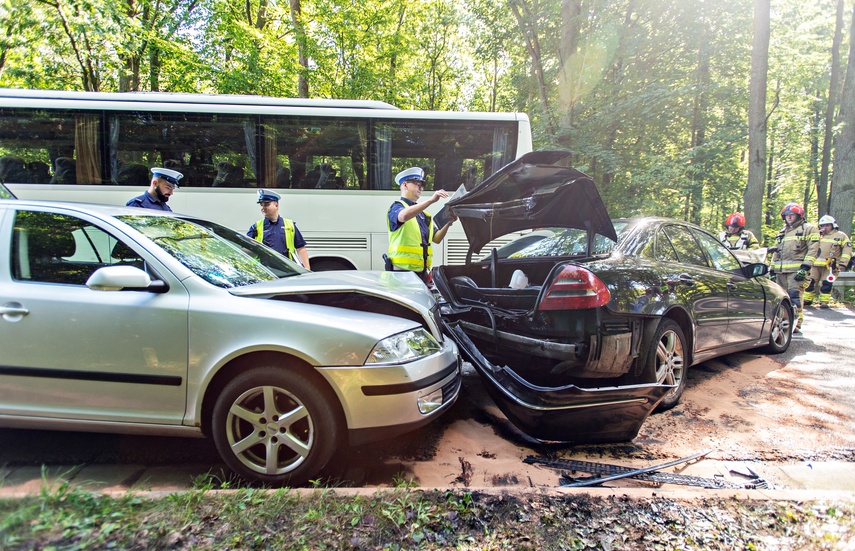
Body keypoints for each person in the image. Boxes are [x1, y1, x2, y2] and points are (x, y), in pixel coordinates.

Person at [385, 167, 456, 283]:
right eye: (417, 183)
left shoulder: (424, 215)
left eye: (422, 185)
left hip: (422, 273)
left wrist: (449, 222)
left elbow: (437, 238)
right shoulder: (396, 207)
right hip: (402, 273)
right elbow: (402, 216)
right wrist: (430, 201)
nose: (421, 187)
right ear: (405, 185)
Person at [768, 202, 820, 333]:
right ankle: (785, 322)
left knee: (794, 296)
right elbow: (776, 252)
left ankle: (796, 324)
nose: (789, 217)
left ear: (799, 215)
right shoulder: (782, 232)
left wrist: (805, 267)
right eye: (787, 215)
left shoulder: (808, 229)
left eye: (792, 215)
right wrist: (772, 269)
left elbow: (813, 249)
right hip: (780, 272)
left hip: (797, 272)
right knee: (781, 298)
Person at [246, 189, 310, 269]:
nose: (263, 208)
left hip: (287, 271)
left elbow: (301, 249)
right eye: (261, 205)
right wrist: (252, 247)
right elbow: (245, 251)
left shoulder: (289, 225)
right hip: (265, 271)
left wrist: (307, 270)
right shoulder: (255, 227)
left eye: (266, 204)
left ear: (276, 205)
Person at [803, 215, 852, 309]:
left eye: (827, 225)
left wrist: (843, 263)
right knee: (810, 283)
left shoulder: (840, 236)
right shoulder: (816, 235)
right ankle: (807, 300)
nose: (824, 228)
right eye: (822, 226)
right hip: (814, 264)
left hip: (831, 266)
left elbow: (847, 250)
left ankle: (824, 302)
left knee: (826, 284)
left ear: (833, 225)